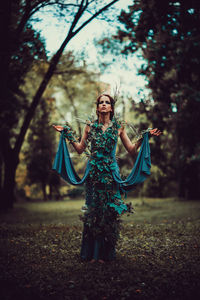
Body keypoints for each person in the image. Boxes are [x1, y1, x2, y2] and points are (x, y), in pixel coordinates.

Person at [52, 94, 161, 263]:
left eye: (107, 102)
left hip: (110, 173)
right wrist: (67, 133)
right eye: (101, 102)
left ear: (111, 107)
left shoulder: (118, 127)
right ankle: (91, 254)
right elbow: (80, 149)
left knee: (108, 211)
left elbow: (131, 150)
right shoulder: (90, 126)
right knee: (93, 210)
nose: (103, 104)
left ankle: (104, 254)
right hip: (93, 173)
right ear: (97, 108)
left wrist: (144, 136)